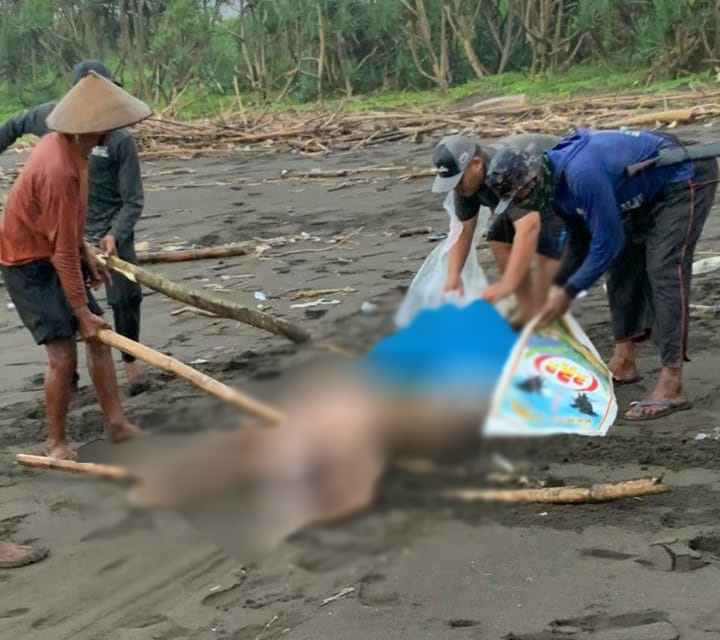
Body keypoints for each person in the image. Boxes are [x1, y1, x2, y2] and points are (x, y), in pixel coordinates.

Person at [484, 128, 719, 421]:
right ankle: (624, 361)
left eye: (521, 195)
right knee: (622, 264)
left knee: (664, 269)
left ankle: (672, 383)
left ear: (534, 179)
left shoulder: (582, 176)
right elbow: (580, 241)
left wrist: (568, 292)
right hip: (639, 191)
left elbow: (607, 244)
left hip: (683, 177)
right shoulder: (552, 189)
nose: (523, 204)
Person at [0, 71, 152, 459]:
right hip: (26, 262)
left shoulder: (76, 150)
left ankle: (115, 424)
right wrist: (81, 310)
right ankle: (56, 443)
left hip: (52, 248)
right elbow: (58, 252)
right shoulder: (58, 167)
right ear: (86, 131)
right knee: (63, 352)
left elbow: (65, 234)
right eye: (103, 130)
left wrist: (84, 250)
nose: (108, 137)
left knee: (98, 338)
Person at [431, 133, 567, 326]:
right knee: (498, 238)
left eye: (458, 180)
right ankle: (529, 309)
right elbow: (464, 228)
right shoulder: (465, 184)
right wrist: (453, 275)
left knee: (547, 248)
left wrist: (507, 284)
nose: (456, 188)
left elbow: (528, 227)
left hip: (559, 188)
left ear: (476, 164)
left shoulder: (503, 169)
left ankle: (548, 312)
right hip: (526, 201)